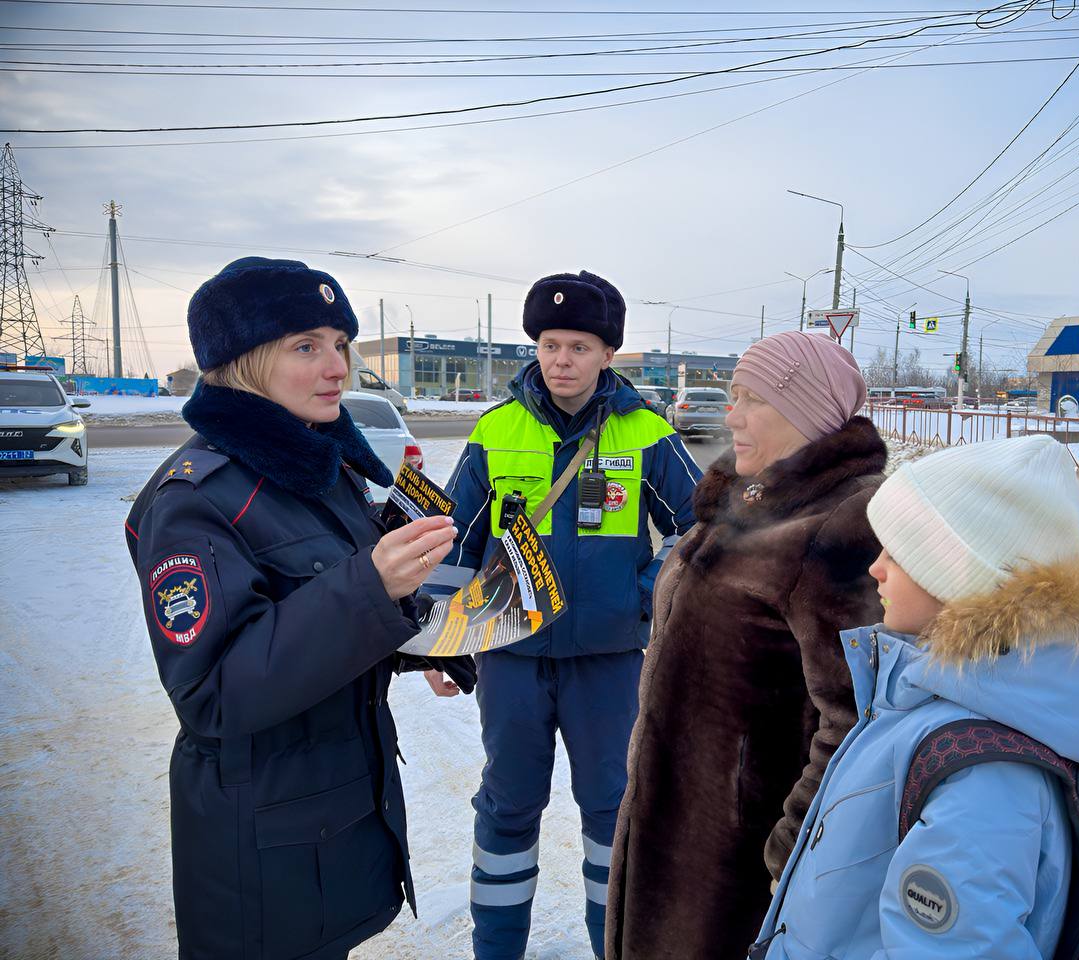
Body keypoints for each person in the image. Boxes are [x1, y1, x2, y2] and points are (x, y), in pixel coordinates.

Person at [125, 257, 469, 960]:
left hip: (329, 821)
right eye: (306, 346)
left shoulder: (320, 471)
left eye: (341, 343)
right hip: (261, 850)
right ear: (242, 362)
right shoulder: (197, 499)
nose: (337, 365)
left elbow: (333, 617)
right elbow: (214, 692)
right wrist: (370, 588)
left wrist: (430, 639)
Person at [753, 434, 1079, 960]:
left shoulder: (985, 773)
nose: (875, 568)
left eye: (899, 554)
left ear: (959, 578)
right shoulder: (939, 695)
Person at [430, 270, 702, 960]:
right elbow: (455, 537)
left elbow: (701, 533)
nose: (562, 360)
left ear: (607, 354)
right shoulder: (498, 430)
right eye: (551, 343)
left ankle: (614, 948)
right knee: (508, 809)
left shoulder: (646, 435)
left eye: (579, 346)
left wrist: (641, 597)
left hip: (608, 664)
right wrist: (436, 643)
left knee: (613, 815)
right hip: (511, 660)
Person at [605, 330, 887, 960]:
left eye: (750, 398)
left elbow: (857, 720)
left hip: (734, 873)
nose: (729, 414)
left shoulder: (838, 528)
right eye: (733, 394)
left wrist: (786, 857)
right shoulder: (745, 503)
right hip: (673, 832)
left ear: (807, 412)